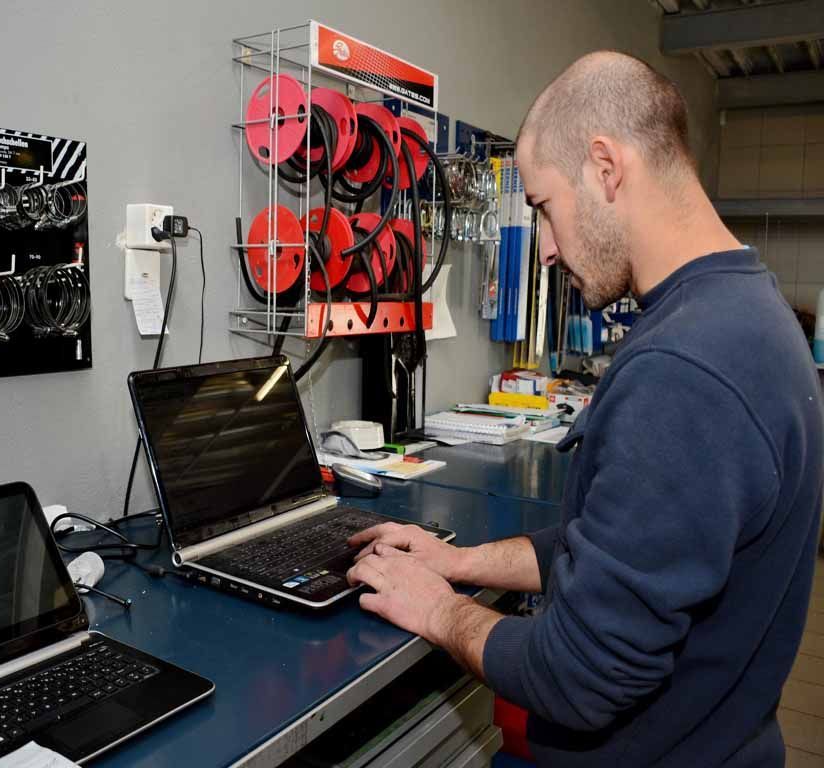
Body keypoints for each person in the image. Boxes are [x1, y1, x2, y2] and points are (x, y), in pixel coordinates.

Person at [346, 51, 823, 767]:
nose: (540, 249)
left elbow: (580, 677)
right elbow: (615, 550)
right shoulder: (746, 312)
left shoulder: (686, 368)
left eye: (541, 206)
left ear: (605, 167)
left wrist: (437, 608)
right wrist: (459, 561)